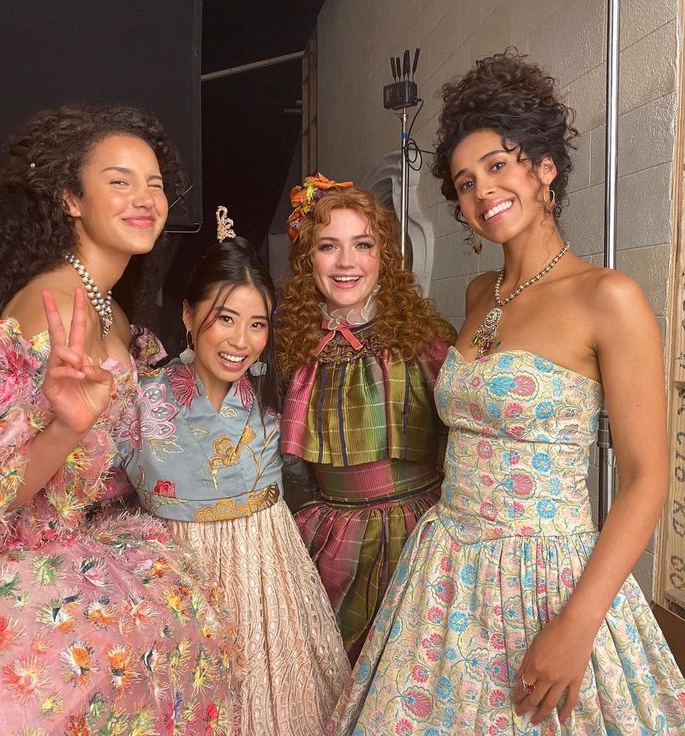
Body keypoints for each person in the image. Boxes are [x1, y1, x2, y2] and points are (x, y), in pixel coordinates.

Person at [328, 50, 685, 735]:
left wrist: (578, 626)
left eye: (499, 164)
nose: (481, 190)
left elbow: (645, 479)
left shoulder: (606, 297)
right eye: (464, 182)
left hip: (548, 578)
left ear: (545, 167)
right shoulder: (477, 293)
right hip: (445, 570)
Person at [0, 106, 238, 735]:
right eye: (120, 180)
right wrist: (64, 427)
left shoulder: (110, 307)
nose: (145, 198)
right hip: (34, 578)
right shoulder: (53, 304)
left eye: (156, 183)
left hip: (105, 554)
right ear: (71, 201)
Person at [114, 207, 350, 736]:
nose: (241, 340)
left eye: (257, 323)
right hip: (175, 572)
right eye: (224, 317)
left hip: (266, 570)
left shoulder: (278, 392)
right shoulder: (141, 397)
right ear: (188, 314)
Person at [276, 178, 457, 662]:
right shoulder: (291, 345)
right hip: (333, 542)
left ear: (384, 255)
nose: (346, 262)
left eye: (363, 245)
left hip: (421, 535)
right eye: (328, 246)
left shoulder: (426, 335)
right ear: (307, 259)